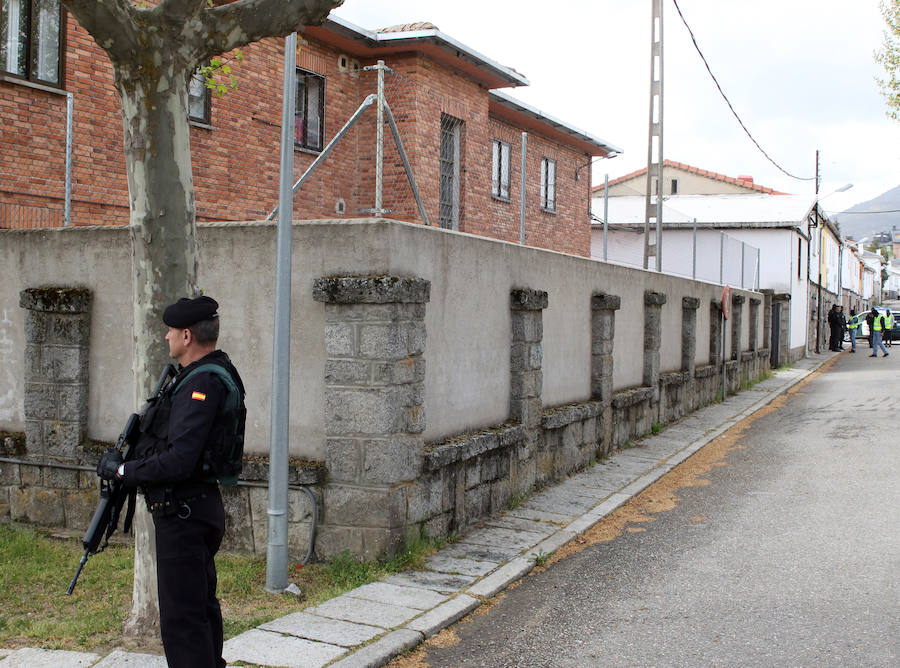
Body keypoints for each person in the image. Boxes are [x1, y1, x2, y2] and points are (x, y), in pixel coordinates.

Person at [97, 296, 245, 668]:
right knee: (199, 609)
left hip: (185, 513)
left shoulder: (205, 382)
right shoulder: (203, 374)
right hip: (192, 510)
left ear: (186, 334)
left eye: (169, 331)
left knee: (183, 621)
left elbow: (180, 459)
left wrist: (123, 472)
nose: (165, 338)